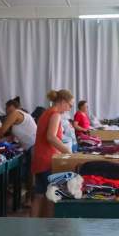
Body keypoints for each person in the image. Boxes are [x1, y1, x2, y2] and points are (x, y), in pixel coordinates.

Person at [31, 89, 74, 218]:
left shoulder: (46, 113)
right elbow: (51, 137)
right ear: (62, 101)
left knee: (39, 195)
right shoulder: (55, 114)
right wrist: (67, 151)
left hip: (39, 159)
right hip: (47, 161)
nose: (69, 109)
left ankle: (32, 227)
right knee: (51, 197)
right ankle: (48, 230)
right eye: (70, 105)